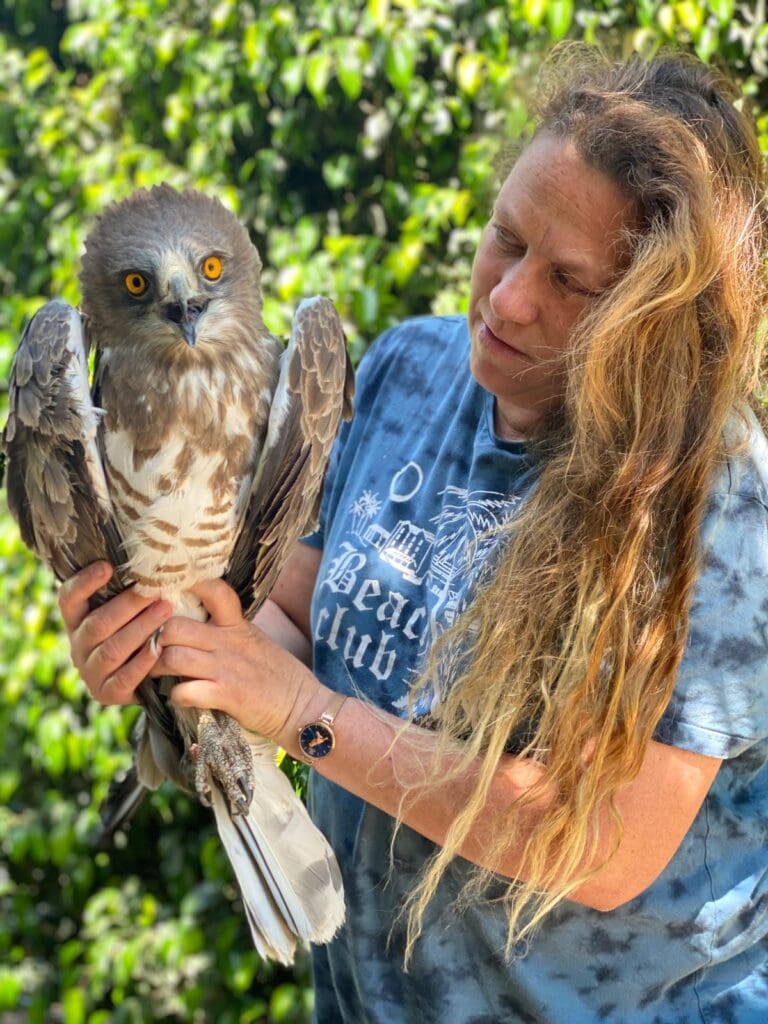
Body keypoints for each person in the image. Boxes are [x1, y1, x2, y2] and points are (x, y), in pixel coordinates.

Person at [58, 47, 768, 1023]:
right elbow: (296, 621)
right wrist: (175, 653)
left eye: (571, 283)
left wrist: (311, 716)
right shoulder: (411, 370)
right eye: (505, 239)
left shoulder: (717, 500)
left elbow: (601, 846)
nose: (509, 299)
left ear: (657, 319)